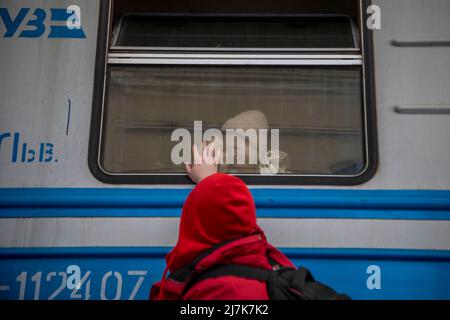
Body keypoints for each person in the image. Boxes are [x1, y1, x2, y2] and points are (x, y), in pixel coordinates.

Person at [150, 143, 296, 300]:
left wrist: (208, 186)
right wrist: (211, 184)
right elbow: (235, 222)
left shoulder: (210, 291)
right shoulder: (275, 267)